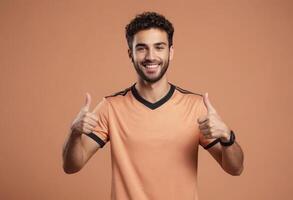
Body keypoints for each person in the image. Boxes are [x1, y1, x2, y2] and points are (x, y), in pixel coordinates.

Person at [62, 11, 244, 200]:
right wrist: (74, 133)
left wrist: (227, 136)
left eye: (159, 47)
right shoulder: (111, 107)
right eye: (141, 48)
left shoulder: (196, 107)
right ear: (130, 54)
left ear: (170, 52)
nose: (151, 56)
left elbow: (235, 169)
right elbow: (71, 166)